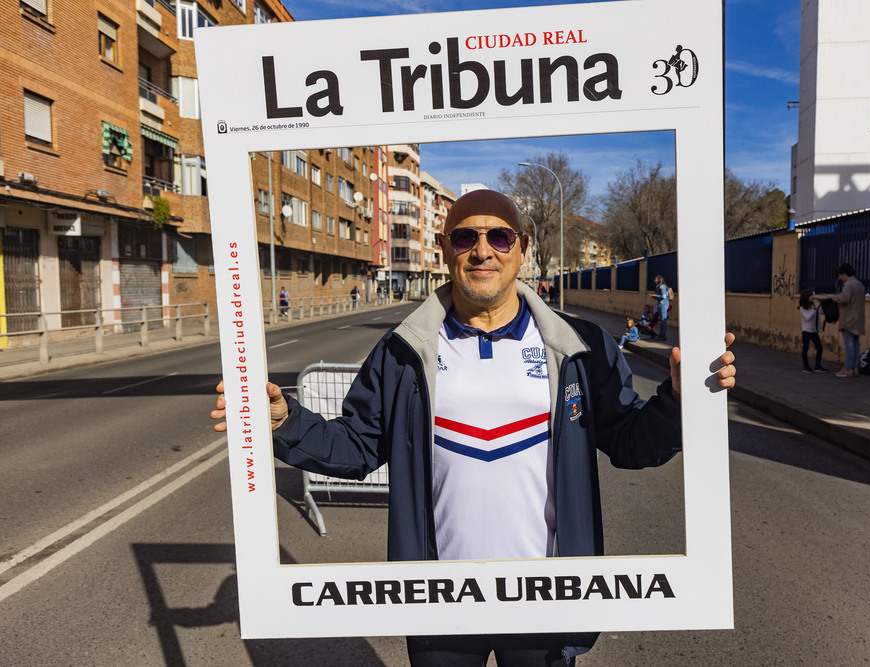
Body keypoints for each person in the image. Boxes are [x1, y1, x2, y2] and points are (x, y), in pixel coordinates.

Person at [211, 190, 736, 666]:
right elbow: (357, 446)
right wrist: (283, 422)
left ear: (522, 249)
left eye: (498, 236)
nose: (482, 251)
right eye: (466, 237)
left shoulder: (580, 347)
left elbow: (630, 442)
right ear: (445, 248)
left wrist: (680, 400)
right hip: (439, 600)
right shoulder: (402, 351)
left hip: (545, 598)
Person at [814, 263, 866, 378]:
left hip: (848, 318)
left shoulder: (848, 285)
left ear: (844, 274)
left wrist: (832, 297)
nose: (840, 278)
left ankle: (847, 369)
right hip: (859, 318)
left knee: (849, 344)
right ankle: (854, 368)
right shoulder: (860, 285)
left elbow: (844, 298)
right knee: (856, 343)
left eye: (840, 275)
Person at [798, 290, 828, 374]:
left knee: (819, 348)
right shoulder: (802, 308)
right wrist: (813, 310)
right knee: (805, 349)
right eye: (811, 296)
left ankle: (817, 366)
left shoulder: (813, 306)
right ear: (807, 298)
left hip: (814, 331)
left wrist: (821, 304)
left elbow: (821, 312)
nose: (813, 297)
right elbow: (807, 319)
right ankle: (806, 367)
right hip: (806, 331)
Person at [650, 275, 670, 341]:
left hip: (663, 305)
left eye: (655, 279)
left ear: (659, 279)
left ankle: (663, 335)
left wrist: (655, 295)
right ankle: (661, 334)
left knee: (663, 320)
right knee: (661, 320)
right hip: (661, 304)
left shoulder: (662, 286)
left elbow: (664, 296)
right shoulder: (659, 286)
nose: (654, 280)